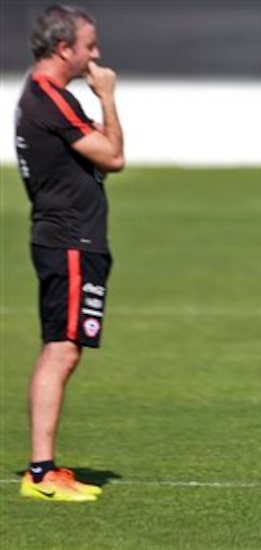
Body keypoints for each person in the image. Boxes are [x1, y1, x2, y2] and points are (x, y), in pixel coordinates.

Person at [15, 4, 125, 502]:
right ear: (64, 49)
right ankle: (42, 473)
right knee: (61, 350)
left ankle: (42, 469)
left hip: (66, 238)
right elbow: (113, 156)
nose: (96, 54)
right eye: (89, 46)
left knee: (62, 349)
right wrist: (106, 97)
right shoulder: (49, 99)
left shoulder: (46, 95)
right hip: (70, 241)